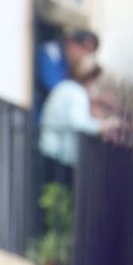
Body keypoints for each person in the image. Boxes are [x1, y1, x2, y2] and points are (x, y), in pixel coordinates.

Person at [37, 50, 104, 186]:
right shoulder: (76, 93)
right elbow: (79, 123)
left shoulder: (65, 88)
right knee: (57, 195)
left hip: (51, 152)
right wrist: (102, 126)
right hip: (58, 156)